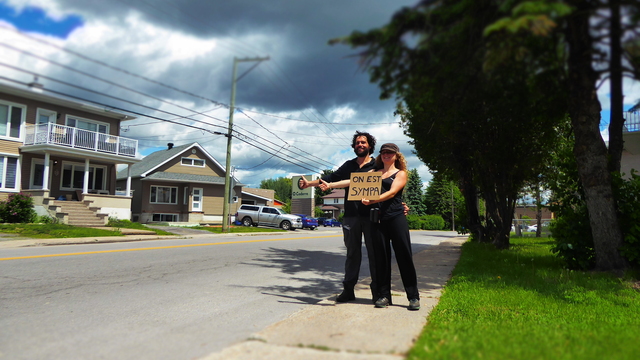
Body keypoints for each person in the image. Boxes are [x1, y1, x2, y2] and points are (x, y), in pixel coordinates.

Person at [320, 143, 420, 311]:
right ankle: (383, 296)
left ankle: (413, 297)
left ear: (396, 155)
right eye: (384, 152)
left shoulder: (400, 173)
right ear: (380, 155)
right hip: (378, 219)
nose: (387, 155)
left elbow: (392, 193)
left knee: (404, 256)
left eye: (390, 153)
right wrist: (330, 185)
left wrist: (374, 200)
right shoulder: (373, 173)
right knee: (381, 259)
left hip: (396, 218)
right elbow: (352, 181)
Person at [299, 131, 380, 303]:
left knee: (375, 254)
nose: (360, 145)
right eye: (357, 143)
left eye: (363, 142)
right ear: (354, 146)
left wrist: (400, 203)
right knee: (352, 254)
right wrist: (309, 183)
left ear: (370, 146)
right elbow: (330, 178)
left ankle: (378, 292)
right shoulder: (349, 165)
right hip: (351, 216)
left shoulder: (377, 165)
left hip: (371, 216)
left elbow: (389, 184)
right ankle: (348, 290)